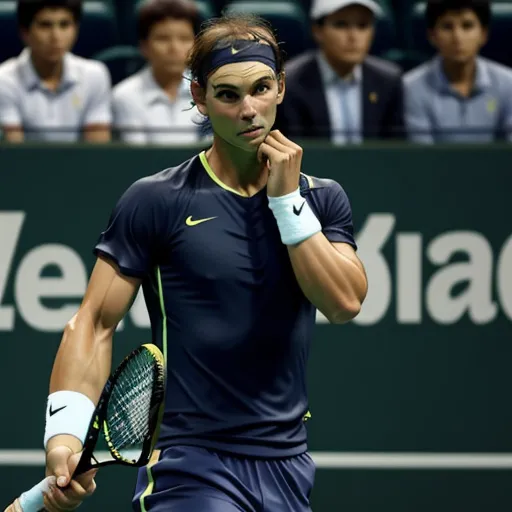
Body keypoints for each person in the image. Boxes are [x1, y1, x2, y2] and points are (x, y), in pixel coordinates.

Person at [41, 13, 368, 512]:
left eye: (261, 88)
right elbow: (94, 322)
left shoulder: (322, 199)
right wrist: (63, 436)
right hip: (189, 465)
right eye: (228, 95)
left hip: (288, 465)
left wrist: (287, 205)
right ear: (199, 98)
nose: (249, 110)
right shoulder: (156, 200)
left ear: (281, 87)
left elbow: (345, 302)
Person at [275, 0, 404, 143]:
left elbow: (395, 151)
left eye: (362, 25)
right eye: (341, 25)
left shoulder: (388, 81)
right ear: (317, 31)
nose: (353, 36)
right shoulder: (292, 82)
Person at [0, 0, 111, 143]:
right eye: (45, 26)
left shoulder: (95, 75)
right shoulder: (4, 80)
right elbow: (15, 154)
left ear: (76, 29)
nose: (56, 37)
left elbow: (98, 153)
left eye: (64, 25)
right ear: (25, 32)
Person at [404, 0, 512, 143]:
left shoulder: (508, 83)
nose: (457, 37)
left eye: (467, 26)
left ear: (483, 34)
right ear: (432, 36)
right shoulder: (411, 87)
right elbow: (423, 157)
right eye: (447, 27)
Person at [112, 0, 205, 145]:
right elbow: (137, 157)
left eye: (184, 39)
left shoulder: (208, 91)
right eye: (163, 39)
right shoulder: (125, 96)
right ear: (144, 46)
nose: (174, 47)